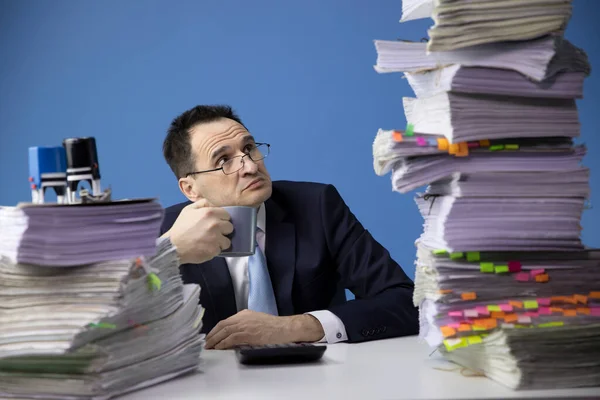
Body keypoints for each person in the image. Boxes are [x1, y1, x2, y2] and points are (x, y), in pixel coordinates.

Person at [160, 105, 418, 350]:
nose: (250, 166)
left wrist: (295, 326)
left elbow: (406, 301)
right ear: (190, 189)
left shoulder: (317, 206)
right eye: (224, 160)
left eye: (249, 148)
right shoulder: (165, 232)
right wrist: (169, 251)